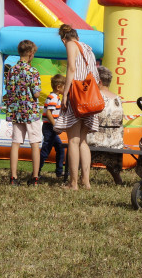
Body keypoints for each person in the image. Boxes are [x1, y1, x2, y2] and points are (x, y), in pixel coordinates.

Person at [52, 24, 100, 190]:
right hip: (89, 96)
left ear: (64, 39)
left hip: (76, 95)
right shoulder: (88, 48)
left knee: (73, 140)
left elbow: (72, 69)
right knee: (83, 141)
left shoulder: (70, 45)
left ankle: (73, 183)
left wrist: (65, 94)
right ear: (77, 36)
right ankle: (85, 181)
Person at [4, 40, 43, 185]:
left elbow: (8, 90)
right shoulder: (32, 71)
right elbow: (37, 93)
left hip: (16, 110)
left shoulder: (11, 71)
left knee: (15, 143)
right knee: (34, 143)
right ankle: (35, 177)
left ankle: (13, 177)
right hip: (30, 111)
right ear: (31, 54)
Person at [86, 66, 124, 185]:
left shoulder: (95, 96)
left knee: (78, 142)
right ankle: (117, 179)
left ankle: (80, 176)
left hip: (95, 140)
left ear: (99, 81)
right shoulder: (118, 99)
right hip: (115, 142)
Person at [39, 74, 67, 180]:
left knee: (60, 148)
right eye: (65, 87)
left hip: (51, 128)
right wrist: (56, 126)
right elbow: (49, 114)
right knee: (46, 150)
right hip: (49, 128)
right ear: (59, 87)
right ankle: (37, 170)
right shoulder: (53, 98)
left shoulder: (56, 97)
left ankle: (59, 171)